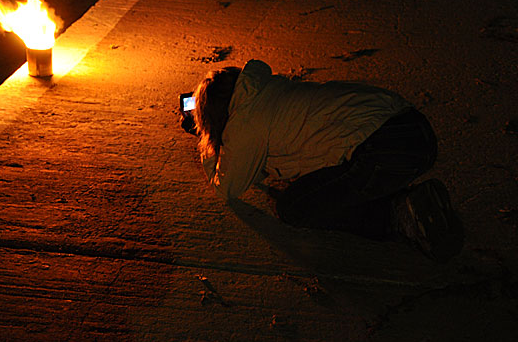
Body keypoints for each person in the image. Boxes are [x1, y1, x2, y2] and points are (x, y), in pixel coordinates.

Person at [185, 59, 464, 262]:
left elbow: (227, 187)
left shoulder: (245, 125)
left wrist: (205, 138)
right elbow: (254, 167)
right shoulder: (270, 89)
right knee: (325, 183)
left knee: (295, 206)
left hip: (383, 149)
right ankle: (410, 196)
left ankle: (399, 212)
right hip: (416, 132)